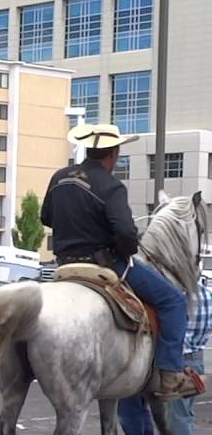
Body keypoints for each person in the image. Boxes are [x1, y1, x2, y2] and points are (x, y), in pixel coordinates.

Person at [41, 123, 196, 399]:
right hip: (104, 264)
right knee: (173, 300)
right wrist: (126, 248)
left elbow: (46, 218)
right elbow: (125, 233)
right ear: (113, 154)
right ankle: (170, 375)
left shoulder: (59, 177)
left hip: (63, 264)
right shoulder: (111, 185)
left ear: (88, 149)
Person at [117, 280, 212, 435]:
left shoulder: (175, 297)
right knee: (183, 415)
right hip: (196, 357)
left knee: (178, 418)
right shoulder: (206, 294)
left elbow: (174, 332)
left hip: (178, 360)